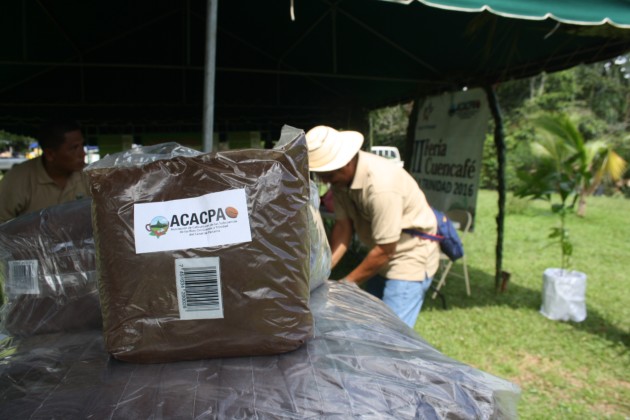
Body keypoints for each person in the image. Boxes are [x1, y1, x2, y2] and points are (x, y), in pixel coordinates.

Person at [306, 125, 440, 328]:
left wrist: (345, 285)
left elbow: (386, 250)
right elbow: (343, 228)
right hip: (379, 255)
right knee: (371, 321)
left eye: (329, 175)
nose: (325, 181)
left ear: (347, 162)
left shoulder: (382, 186)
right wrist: (323, 270)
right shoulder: (340, 182)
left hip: (409, 257)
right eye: (321, 175)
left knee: (393, 334)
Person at [0, 120, 89, 223]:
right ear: (50, 154)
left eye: (82, 145)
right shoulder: (17, 180)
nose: (83, 154)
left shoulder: (89, 176)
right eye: (74, 148)